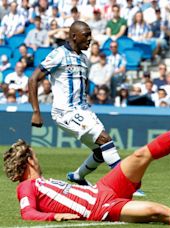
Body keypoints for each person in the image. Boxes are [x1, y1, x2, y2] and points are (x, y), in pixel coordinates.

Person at [4, 98, 170, 226]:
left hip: (103, 189)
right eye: (34, 155)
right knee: (155, 210)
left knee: (139, 155)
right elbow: (28, 213)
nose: (38, 158)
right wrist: (54, 217)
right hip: (100, 208)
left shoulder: (42, 182)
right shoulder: (26, 187)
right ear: (29, 161)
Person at [28, 21, 123, 186]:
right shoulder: (58, 54)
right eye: (86, 35)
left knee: (100, 152)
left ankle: (77, 176)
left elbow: (83, 84)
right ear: (73, 36)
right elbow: (33, 79)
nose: (90, 39)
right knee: (105, 139)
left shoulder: (84, 59)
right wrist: (36, 111)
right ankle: (125, 183)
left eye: (90, 35)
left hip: (82, 110)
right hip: (65, 112)